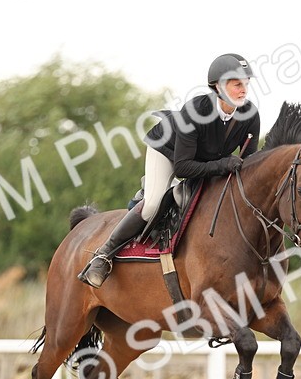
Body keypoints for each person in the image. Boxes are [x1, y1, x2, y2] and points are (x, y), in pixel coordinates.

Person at [77, 53, 261, 287]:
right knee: (153, 204)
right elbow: (183, 168)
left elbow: (248, 162)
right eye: (237, 84)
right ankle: (103, 255)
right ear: (218, 86)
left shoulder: (250, 114)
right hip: (167, 151)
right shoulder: (195, 110)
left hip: (205, 160)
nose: (244, 90)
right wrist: (223, 164)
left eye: (246, 83)